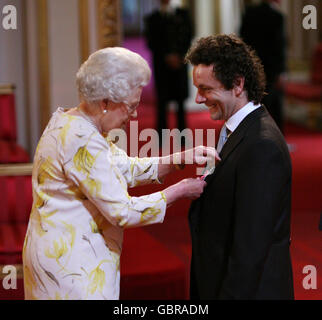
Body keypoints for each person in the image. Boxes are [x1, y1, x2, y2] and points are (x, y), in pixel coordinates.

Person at [22, 47, 219, 300]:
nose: (135, 114)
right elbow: (122, 212)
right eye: (131, 106)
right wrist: (180, 191)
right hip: (72, 266)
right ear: (105, 102)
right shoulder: (82, 139)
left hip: (61, 255)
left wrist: (179, 158)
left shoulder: (74, 122)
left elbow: (122, 168)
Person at [185, 34, 294, 299]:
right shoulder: (238, 130)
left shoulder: (261, 146)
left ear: (237, 84)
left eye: (206, 89)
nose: (199, 99)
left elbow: (250, 250)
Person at [144, 0, 193, 139]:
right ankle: (161, 136)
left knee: (180, 102)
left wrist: (178, 56)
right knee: (162, 103)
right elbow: (151, 42)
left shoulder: (183, 15)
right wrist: (166, 56)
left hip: (180, 64)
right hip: (162, 66)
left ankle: (182, 135)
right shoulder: (152, 18)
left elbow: (188, 36)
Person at [240, 0, 287, 133]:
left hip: (253, 67)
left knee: (254, 104)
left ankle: (256, 137)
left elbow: (243, 43)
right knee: (275, 106)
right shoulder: (277, 17)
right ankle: (278, 140)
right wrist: (281, 71)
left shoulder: (249, 14)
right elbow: (279, 46)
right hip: (272, 70)